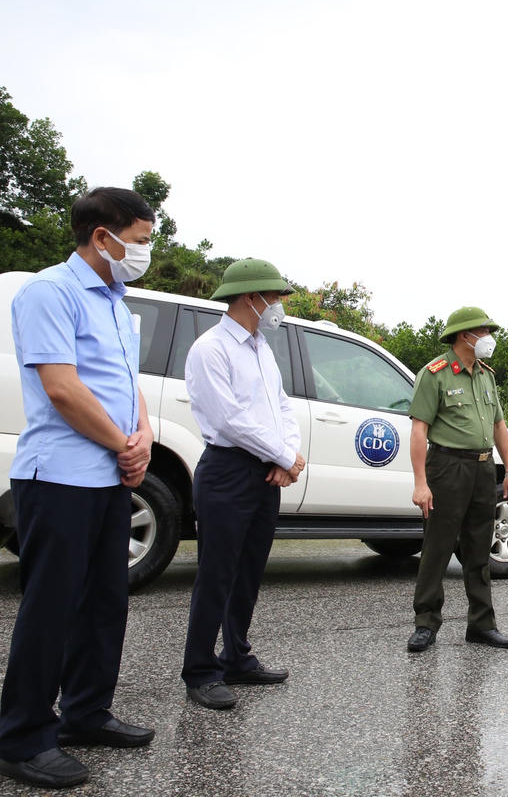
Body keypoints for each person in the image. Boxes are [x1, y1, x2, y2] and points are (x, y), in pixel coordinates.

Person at [0, 188, 157, 789]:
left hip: (110, 478)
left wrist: (141, 434)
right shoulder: (49, 293)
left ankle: (85, 713)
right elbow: (63, 389)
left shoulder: (118, 303)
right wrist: (124, 445)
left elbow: (126, 384)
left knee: (103, 603)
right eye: (139, 241)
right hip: (60, 477)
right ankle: (21, 738)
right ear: (102, 237)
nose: (144, 252)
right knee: (51, 608)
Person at [181, 259, 304, 710]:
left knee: (249, 571)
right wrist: (285, 456)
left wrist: (284, 457)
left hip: (264, 471)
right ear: (249, 297)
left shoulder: (261, 348)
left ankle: (236, 657)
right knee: (217, 574)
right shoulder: (210, 349)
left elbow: (282, 408)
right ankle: (199, 670)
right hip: (228, 471)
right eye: (273, 297)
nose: (278, 306)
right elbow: (228, 420)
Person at [406, 306, 508, 653]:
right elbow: (418, 430)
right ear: (463, 336)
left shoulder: (486, 375)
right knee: (438, 547)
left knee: (478, 549)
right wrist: (421, 482)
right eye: (482, 332)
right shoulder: (435, 374)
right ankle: (426, 623)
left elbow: (499, 425)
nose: (488, 338)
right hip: (447, 467)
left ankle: (482, 624)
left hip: (483, 468)